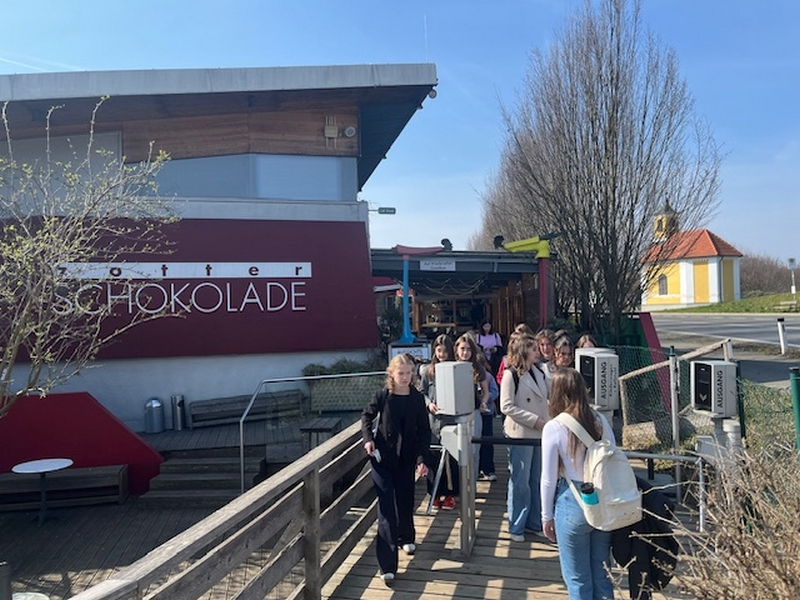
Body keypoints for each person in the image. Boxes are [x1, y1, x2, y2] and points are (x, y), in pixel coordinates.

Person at [540, 368, 615, 599]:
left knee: (578, 580)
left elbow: (548, 478)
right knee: (602, 576)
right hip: (602, 500)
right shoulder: (600, 420)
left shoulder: (554, 427)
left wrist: (546, 516)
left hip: (573, 500)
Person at [361, 353, 431, 584]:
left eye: (409, 373)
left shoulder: (417, 398)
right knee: (386, 510)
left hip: (407, 458)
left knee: (405, 499)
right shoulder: (383, 395)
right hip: (383, 458)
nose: (405, 377)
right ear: (391, 374)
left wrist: (422, 459)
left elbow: (424, 431)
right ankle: (387, 565)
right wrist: (368, 439)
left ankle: (406, 537)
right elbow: (366, 416)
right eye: (401, 373)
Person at [500, 333, 550, 542]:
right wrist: (534, 420)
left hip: (540, 433)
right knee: (520, 481)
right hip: (521, 433)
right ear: (523, 351)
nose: (538, 352)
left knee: (536, 478)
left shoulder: (540, 372)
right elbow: (506, 406)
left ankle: (534, 522)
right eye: (533, 349)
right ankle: (516, 525)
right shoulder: (511, 375)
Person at [420, 334, 459, 510]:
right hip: (433, 421)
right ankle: (434, 494)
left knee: (452, 460)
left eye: (445, 351)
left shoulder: (456, 370)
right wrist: (429, 404)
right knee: (433, 458)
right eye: (439, 350)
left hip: (451, 420)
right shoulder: (427, 371)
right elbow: (422, 393)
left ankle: (450, 495)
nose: (442, 354)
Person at [454, 332, 490, 481]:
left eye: (468, 349)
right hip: (455, 414)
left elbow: (486, 392)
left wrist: (484, 402)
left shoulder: (478, 367)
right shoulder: (451, 367)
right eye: (462, 349)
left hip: (474, 412)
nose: (465, 352)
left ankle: (473, 484)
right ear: (456, 350)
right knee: (457, 451)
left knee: (474, 450)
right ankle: (459, 486)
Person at [476, 351, 499, 482]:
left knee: (487, 442)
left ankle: (489, 469)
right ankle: (477, 469)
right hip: (474, 413)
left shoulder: (488, 376)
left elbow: (495, 392)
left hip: (487, 412)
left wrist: (486, 398)